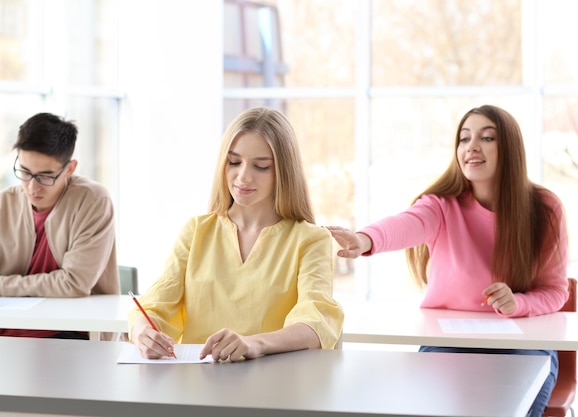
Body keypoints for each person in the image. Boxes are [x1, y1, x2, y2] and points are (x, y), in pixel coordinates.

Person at [327, 105, 568, 417]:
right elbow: (405, 225)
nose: (472, 147)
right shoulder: (440, 206)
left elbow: (555, 291)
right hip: (447, 342)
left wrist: (517, 304)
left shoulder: (545, 209)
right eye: (464, 138)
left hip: (522, 344)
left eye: (487, 138)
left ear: (510, 148)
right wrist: (364, 240)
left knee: (513, 404)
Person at [128, 107, 344, 361]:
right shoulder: (196, 232)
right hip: (199, 385)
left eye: (261, 166)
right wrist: (143, 332)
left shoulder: (311, 240)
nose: (243, 177)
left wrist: (254, 344)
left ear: (283, 172)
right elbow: (153, 307)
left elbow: (316, 323)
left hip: (275, 388)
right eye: (234, 162)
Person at [0, 112, 120, 339]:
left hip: (72, 336)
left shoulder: (93, 201)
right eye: (24, 172)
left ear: (70, 169)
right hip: (2, 338)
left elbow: (74, 283)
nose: (32, 187)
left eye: (45, 176)